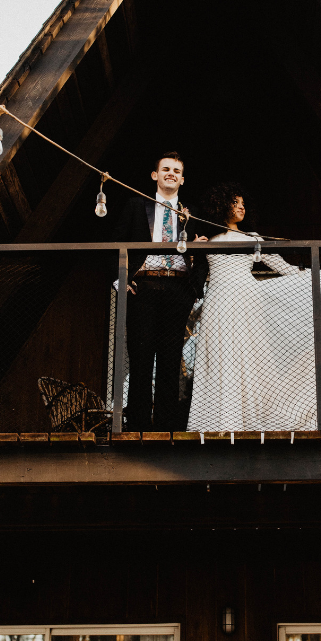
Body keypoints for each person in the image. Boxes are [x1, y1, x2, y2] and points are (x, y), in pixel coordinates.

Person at [186, 182, 321, 433]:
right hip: (218, 302)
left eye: (243, 203)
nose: (241, 207)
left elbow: (283, 267)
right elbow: (194, 275)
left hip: (247, 302)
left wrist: (315, 278)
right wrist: (194, 246)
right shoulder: (208, 240)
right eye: (235, 202)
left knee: (249, 362)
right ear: (221, 205)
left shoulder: (253, 239)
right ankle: (222, 424)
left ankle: (246, 424)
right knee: (220, 358)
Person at [113, 153, 207, 432]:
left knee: (170, 359)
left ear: (182, 179)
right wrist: (120, 279)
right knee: (141, 357)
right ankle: (138, 425)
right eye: (165, 169)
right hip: (143, 287)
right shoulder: (135, 205)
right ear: (155, 175)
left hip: (178, 289)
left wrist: (195, 289)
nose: (171, 174)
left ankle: (167, 427)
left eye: (177, 171)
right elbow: (116, 241)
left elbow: (202, 254)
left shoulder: (191, 213)